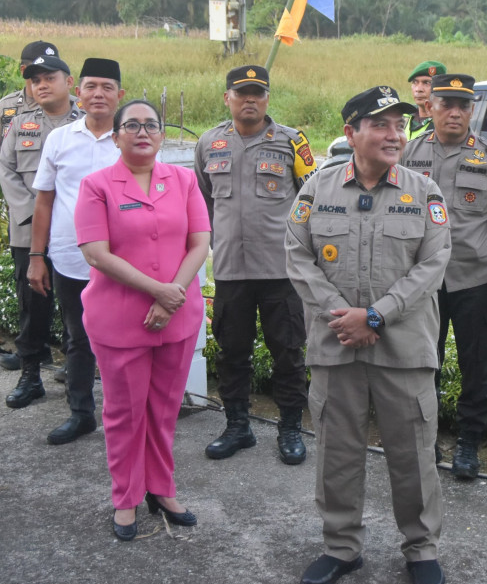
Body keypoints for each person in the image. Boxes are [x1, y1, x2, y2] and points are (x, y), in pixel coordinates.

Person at [285, 86, 450, 584]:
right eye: (380, 124)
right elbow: (296, 254)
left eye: (400, 124)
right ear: (352, 131)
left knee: (414, 455)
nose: (394, 133)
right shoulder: (316, 188)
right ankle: (340, 547)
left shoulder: (424, 192)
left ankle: (421, 549)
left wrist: (376, 315)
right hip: (337, 346)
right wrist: (345, 318)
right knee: (337, 450)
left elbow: (433, 264)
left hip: (404, 349)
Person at [76, 100, 211, 540]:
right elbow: (96, 252)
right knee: (125, 412)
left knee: (164, 408)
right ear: (115, 136)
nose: (142, 132)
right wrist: (157, 292)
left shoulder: (185, 179)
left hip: (178, 317)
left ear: (162, 134)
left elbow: (199, 241)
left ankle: (161, 487)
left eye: (151, 125)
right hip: (120, 319)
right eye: (131, 125)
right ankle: (126, 496)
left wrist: (170, 297)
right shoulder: (97, 186)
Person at [400, 73, 487, 478]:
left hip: (476, 280)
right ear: (431, 107)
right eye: (446, 104)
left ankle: (469, 446)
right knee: (424, 365)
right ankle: (428, 440)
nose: (454, 113)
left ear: (472, 110)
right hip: (423, 282)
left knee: (476, 366)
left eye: (463, 106)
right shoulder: (409, 153)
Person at [195, 65, 316, 465]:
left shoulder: (292, 142)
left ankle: (290, 428)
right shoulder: (210, 143)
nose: (250, 100)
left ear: (267, 98)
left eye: (258, 94)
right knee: (232, 352)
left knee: (288, 352)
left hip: (281, 271)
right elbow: (203, 202)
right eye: (242, 93)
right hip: (231, 270)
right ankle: (237, 426)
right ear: (227, 97)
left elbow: (311, 200)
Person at [27, 58, 125, 446]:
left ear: (120, 94)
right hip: (71, 260)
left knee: (125, 341)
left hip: (124, 264)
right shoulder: (60, 139)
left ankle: (125, 414)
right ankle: (81, 412)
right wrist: (37, 256)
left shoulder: (131, 138)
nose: (98, 94)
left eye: (107, 86)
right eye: (91, 86)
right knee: (78, 339)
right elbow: (44, 202)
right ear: (77, 91)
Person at [0, 54, 83, 408]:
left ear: (68, 81)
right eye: (35, 80)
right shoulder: (20, 124)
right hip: (29, 230)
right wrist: (34, 215)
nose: (42, 85)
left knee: (77, 305)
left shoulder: (88, 121)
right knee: (33, 303)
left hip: (78, 232)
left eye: (49, 77)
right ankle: (31, 374)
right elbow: (8, 170)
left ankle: (76, 372)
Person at [0, 40, 59, 149]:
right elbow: (2, 149)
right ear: (23, 70)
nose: (46, 78)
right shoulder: (6, 106)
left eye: (53, 70)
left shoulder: (73, 106)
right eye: (41, 70)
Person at [407, 61, 445, 140]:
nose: (418, 89)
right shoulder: (402, 118)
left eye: (427, 83)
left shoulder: (446, 124)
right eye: (415, 82)